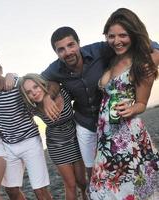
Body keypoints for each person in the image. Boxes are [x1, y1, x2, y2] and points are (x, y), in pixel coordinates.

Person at [41, 26, 159, 182]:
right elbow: (40, 81)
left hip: (113, 120)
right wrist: (47, 97)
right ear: (56, 53)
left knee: (122, 164)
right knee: (93, 171)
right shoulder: (55, 68)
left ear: (78, 43)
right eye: (61, 49)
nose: (67, 52)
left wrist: (156, 52)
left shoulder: (99, 50)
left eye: (71, 45)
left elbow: (142, 43)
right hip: (85, 124)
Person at [89, 8, 159, 199]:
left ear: (134, 34)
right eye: (111, 36)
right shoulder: (113, 58)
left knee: (131, 186)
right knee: (105, 188)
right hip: (105, 134)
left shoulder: (142, 63)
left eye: (123, 35)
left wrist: (131, 108)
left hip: (126, 134)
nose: (116, 41)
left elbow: (142, 103)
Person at [0, 53, 53, 200]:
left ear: (1, 69)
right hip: (8, 146)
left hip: (30, 141)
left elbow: (32, 82)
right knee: (11, 190)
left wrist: (13, 75)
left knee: (40, 191)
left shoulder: (16, 83)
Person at [19, 73, 87, 200]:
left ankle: (84, 195)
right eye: (28, 92)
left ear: (42, 84)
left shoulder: (63, 92)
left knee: (82, 182)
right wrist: (10, 76)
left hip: (75, 140)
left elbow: (56, 84)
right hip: (56, 146)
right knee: (70, 185)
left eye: (36, 87)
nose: (34, 92)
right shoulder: (34, 108)